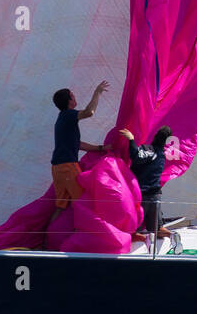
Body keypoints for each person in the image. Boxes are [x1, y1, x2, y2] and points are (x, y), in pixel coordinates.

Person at [50, 81, 110, 209]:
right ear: (69, 99)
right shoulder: (68, 115)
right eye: (73, 96)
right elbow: (90, 112)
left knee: (61, 207)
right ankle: (82, 228)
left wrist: (100, 148)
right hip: (67, 166)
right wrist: (97, 92)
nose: (75, 98)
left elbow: (78, 144)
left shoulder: (62, 119)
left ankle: (51, 229)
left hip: (57, 168)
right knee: (84, 203)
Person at [120, 126, 174, 239]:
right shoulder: (162, 155)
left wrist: (131, 140)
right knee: (157, 228)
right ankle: (173, 235)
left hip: (142, 196)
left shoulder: (151, 150)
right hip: (156, 196)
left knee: (133, 230)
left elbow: (137, 156)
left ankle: (146, 239)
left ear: (155, 136)